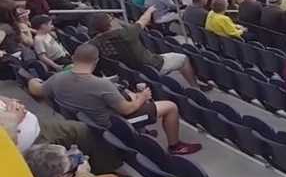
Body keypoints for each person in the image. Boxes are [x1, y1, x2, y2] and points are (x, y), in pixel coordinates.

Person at [29, 44, 200, 155]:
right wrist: (143, 98)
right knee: (170, 106)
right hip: (112, 125)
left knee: (130, 95)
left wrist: (32, 80)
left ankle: (143, 131)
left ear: (73, 58)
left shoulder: (57, 79)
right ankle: (175, 145)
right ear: (95, 61)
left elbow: (37, 89)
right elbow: (127, 110)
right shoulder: (101, 84)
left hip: (84, 121)